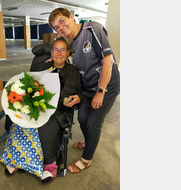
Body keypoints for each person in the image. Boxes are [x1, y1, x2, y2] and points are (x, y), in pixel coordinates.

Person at [0, 37, 82, 184]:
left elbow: (79, 93)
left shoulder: (73, 72)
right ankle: (16, 158)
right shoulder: (41, 66)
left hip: (59, 111)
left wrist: (78, 98)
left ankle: (50, 164)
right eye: (55, 49)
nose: (59, 53)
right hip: (37, 104)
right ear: (51, 52)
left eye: (62, 50)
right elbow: (29, 84)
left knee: (45, 125)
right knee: (15, 118)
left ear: (67, 52)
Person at [48, 8, 120, 173]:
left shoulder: (92, 29)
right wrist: (56, 57)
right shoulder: (71, 44)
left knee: (93, 122)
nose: (60, 28)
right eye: (56, 27)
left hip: (106, 86)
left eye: (61, 21)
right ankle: (89, 141)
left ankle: (86, 160)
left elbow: (108, 62)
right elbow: (75, 65)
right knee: (82, 117)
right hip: (88, 87)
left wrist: (101, 92)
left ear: (71, 17)